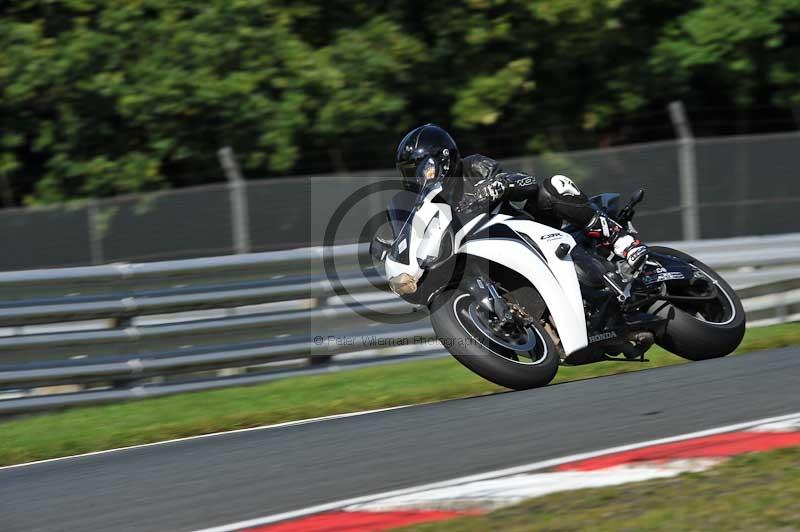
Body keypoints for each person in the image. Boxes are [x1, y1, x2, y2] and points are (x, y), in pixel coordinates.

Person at [394, 123, 648, 272]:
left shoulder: (473, 167)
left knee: (553, 185)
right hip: (492, 258)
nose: (417, 178)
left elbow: (527, 183)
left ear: (442, 159)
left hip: (530, 233)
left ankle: (621, 240)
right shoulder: (429, 207)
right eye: (410, 174)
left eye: (420, 169)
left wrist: (497, 186)